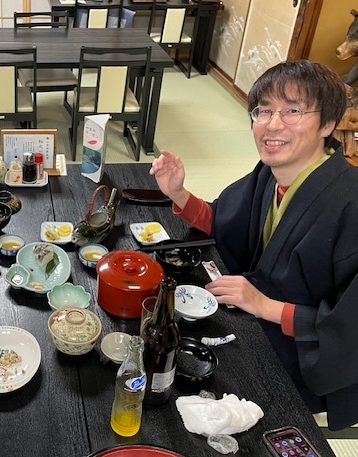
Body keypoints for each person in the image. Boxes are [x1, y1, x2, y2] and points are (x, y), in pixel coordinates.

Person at [150, 60, 358, 430]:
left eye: (293, 110)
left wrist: (263, 305)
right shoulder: (270, 174)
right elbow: (225, 223)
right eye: (263, 110)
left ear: (327, 124)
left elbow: (349, 327)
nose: (272, 125)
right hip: (253, 320)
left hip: (304, 357)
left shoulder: (350, 202)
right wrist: (178, 192)